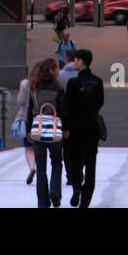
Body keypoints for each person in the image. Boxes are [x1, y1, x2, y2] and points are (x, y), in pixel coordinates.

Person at [63, 48, 105, 209]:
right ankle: (85, 201)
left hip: (75, 127)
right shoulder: (98, 81)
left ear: (80, 61)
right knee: (90, 163)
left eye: (75, 60)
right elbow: (101, 102)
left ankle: (76, 188)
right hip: (92, 127)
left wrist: (66, 127)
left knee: (73, 160)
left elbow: (68, 106)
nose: (74, 62)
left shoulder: (73, 83)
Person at [25, 58, 66, 209]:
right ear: (51, 70)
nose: (58, 70)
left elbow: (29, 110)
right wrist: (66, 129)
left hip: (38, 130)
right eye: (56, 68)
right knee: (56, 162)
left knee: (41, 168)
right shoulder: (58, 88)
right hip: (54, 129)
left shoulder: (34, 87)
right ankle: (55, 190)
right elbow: (62, 111)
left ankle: (43, 202)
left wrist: (29, 129)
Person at [14, 75, 37, 186]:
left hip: (26, 118)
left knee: (28, 147)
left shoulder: (25, 84)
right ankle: (42, 171)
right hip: (40, 119)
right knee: (40, 145)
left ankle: (32, 167)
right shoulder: (46, 83)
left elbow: (20, 101)